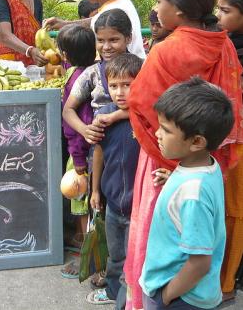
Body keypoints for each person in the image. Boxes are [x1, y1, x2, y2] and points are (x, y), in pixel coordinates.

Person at [124, 0, 243, 310]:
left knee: (157, 233)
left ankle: (154, 297)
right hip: (207, 159)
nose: (156, 8)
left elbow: (142, 106)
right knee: (199, 235)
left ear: (178, 8)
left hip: (164, 159)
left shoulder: (166, 51)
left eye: (159, 0)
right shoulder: (223, 45)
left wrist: (169, 162)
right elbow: (231, 107)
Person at [140, 77, 234, 310]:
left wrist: (165, 297)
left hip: (180, 297)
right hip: (183, 292)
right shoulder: (206, 167)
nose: (157, 134)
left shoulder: (192, 194)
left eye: (166, 130)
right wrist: (174, 181)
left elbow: (200, 263)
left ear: (196, 142)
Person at [87, 53, 143, 307]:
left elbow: (146, 110)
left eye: (127, 85)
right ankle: (111, 291)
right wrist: (95, 190)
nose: (120, 92)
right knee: (115, 253)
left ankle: (128, 297)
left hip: (138, 205)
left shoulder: (146, 116)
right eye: (114, 85)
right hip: (112, 201)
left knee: (134, 256)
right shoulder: (103, 115)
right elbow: (98, 154)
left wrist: (122, 115)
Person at [56, 24, 97, 278]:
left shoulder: (76, 80)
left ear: (64, 54)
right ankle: (87, 245)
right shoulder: (93, 71)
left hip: (81, 153)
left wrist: (78, 161)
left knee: (81, 203)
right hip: (93, 150)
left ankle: (88, 256)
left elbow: (73, 128)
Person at [63, 9, 132, 148]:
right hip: (102, 148)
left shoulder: (142, 68)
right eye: (100, 40)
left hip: (135, 145)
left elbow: (150, 105)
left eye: (113, 40)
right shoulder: (92, 74)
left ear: (128, 38)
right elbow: (67, 110)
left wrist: (116, 115)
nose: (106, 47)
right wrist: (85, 130)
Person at [216, 0, 243, 302]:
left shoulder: (233, 52)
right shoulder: (228, 44)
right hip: (230, 137)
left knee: (235, 210)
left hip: (239, 141)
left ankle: (226, 285)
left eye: (226, 11)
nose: (219, 17)